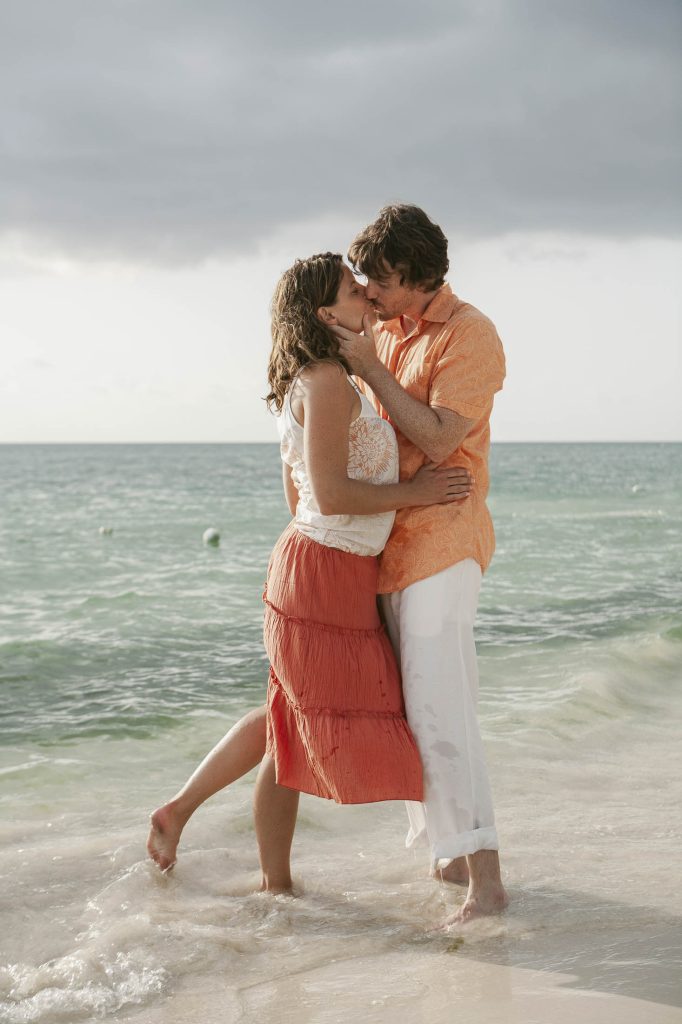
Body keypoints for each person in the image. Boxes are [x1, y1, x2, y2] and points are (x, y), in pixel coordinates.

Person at [148, 252, 471, 894]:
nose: (367, 297)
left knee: (287, 720)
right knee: (292, 726)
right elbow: (326, 496)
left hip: (331, 572)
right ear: (326, 313)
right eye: (355, 291)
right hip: (321, 576)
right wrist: (418, 494)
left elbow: (298, 500)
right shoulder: (324, 380)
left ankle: (191, 823)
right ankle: (273, 884)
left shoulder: (329, 378)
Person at [333, 204, 508, 924]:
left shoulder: (471, 334)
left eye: (378, 280)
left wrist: (370, 365)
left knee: (443, 711)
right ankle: (449, 850)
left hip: (444, 538)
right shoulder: (387, 329)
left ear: (413, 274)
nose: (368, 292)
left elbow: (438, 440)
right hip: (390, 546)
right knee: (411, 709)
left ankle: (488, 884)